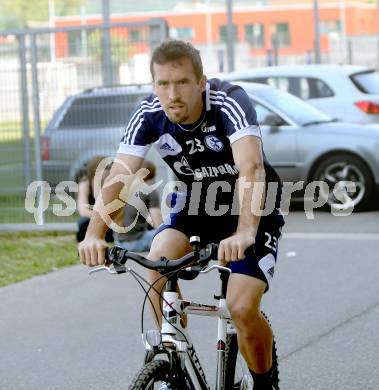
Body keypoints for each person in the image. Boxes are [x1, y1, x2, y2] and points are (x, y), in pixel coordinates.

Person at [79, 40, 284, 390]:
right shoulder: (148, 114)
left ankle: (266, 384)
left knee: (240, 306)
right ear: (153, 85)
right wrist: (95, 234)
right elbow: (119, 176)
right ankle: (171, 354)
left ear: (201, 82)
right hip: (198, 204)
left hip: (250, 206)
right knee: (156, 263)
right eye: (163, 84)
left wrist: (245, 232)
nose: (172, 94)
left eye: (182, 83)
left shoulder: (228, 101)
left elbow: (250, 167)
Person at [113, 160, 163, 252]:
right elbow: (158, 224)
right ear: (152, 173)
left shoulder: (124, 188)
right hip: (137, 242)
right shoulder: (149, 190)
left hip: (119, 244)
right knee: (172, 234)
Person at [76, 155, 113, 243]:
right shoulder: (85, 183)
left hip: (110, 220)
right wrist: (99, 217)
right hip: (92, 218)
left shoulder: (112, 183)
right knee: (83, 222)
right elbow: (83, 210)